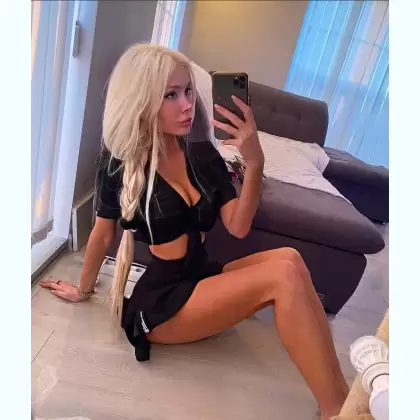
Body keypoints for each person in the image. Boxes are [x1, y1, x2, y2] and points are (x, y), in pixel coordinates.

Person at [40, 44, 349, 419]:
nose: (187, 104)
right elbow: (102, 235)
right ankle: (337, 411)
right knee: (281, 277)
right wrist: (84, 289)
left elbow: (238, 226)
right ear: (141, 100)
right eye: (171, 95)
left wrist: (255, 162)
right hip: (163, 303)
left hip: (201, 277)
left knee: (290, 259)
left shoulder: (202, 156)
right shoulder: (118, 164)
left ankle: (344, 398)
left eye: (188, 91)